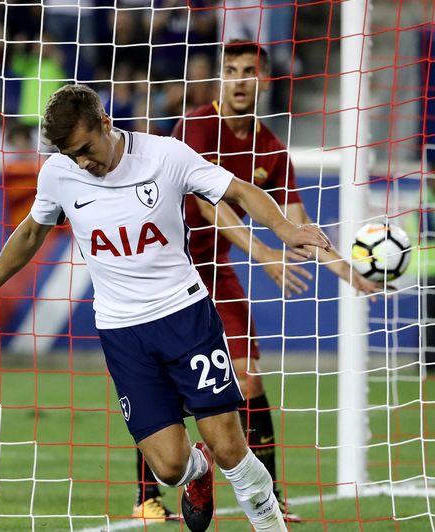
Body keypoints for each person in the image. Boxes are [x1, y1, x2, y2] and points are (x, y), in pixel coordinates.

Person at [0, 84, 358, 532]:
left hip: (185, 318)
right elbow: (30, 233)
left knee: (228, 446)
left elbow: (238, 190)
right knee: (167, 467)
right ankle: (196, 475)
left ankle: (269, 525)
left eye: (86, 148)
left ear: (106, 123)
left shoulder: (166, 156)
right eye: (71, 154)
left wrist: (282, 227)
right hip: (123, 335)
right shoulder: (59, 174)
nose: (82, 161)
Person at [128, 40, 381, 522]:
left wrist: (351, 274)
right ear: (221, 77)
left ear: (264, 80)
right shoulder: (198, 125)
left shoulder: (271, 149)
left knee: (249, 378)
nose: (240, 79)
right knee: (171, 386)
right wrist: (264, 252)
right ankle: (147, 496)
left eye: (249, 71)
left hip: (215, 274)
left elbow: (299, 223)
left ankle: (271, 499)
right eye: (231, 70)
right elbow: (209, 204)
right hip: (165, 270)